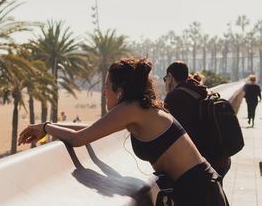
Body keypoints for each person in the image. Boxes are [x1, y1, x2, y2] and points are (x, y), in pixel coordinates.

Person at [19, 57, 229, 206]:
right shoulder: (140, 108)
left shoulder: (131, 109)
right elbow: (93, 129)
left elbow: (78, 139)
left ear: (120, 91)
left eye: (106, 86)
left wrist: (46, 127)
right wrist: (51, 125)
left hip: (199, 193)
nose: (103, 92)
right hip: (199, 187)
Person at [163, 61, 231, 181]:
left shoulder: (174, 97)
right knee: (216, 197)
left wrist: (169, 94)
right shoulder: (200, 89)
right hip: (221, 157)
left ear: (170, 77)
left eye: (165, 79)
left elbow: (168, 129)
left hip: (204, 161)